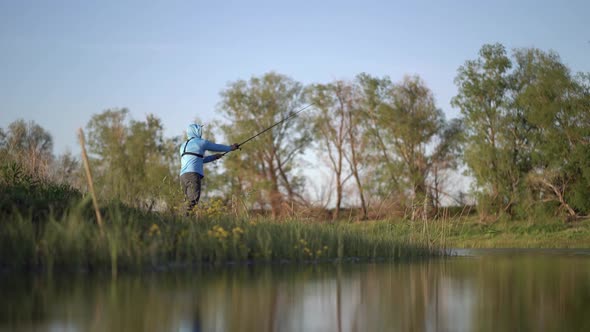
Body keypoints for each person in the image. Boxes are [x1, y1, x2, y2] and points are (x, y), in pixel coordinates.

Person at [179, 124, 238, 215]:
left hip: (183, 177)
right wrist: (230, 148)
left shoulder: (183, 146)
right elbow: (216, 147)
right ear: (196, 131)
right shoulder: (201, 142)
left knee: (186, 202)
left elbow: (197, 160)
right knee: (192, 201)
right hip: (192, 176)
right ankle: (187, 223)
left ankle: (181, 221)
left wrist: (213, 157)